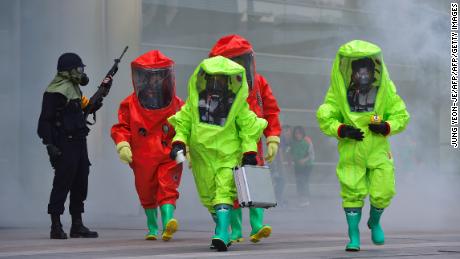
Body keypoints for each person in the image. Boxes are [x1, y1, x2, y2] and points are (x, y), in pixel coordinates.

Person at [316, 40, 410, 251]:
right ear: (352, 72)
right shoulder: (340, 93)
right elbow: (325, 115)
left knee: (384, 190)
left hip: (378, 151)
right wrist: (342, 130)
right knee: (352, 192)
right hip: (352, 150)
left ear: (375, 70)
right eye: (359, 71)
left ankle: (374, 221)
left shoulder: (385, 91)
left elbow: (401, 115)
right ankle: (354, 235)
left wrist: (386, 126)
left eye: (367, 71)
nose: (363, 76)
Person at [168, 56, 267, 251]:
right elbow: (184, 123)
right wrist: (178, 142)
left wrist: (249, 151)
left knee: (224, 191)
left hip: (227, 155)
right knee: (208, 197)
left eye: (221, 78)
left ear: (228, 80)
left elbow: (248, 126)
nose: (217, 81)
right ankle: (223, 228)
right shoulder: (196, 101)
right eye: (214, 77)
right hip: (201, 158)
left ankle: (221, 233)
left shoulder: (235, 102)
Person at [209, 34, 281, 244]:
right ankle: (236, 229)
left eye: (241, 61)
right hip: (227, 142)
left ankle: (257, 225)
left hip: (253, 140)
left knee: (254, 178)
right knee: (231, 182)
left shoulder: (258, 83)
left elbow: (271, 110)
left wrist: (273, 136)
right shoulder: (214, 89)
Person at [111, 50, 184, 241]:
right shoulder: (130, 104)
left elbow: (186, 127)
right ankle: (152, 228)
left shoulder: (176, 104)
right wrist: (123, 144)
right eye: (151, 77)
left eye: (159, 76)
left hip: (169, 154)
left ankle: (168, 221)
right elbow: (122, 127)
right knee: (146, 190)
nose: (155, 81)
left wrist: (186, 146)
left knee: (167, 187)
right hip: (142, 157)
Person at [38, 53, 109, 239]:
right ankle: (55, 225)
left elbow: (80, 112)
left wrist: (99, 96)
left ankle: (77, 224)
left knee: (80, 181)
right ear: (67, 71)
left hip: (79, 141)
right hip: (65, 142)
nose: (82, 72)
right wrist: (50, 145)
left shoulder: (74, 89)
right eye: (79, 69)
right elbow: (44, 122)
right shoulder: (55, 92)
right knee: (62, 182)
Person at [291, 126, 315, 207]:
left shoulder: (307, 141)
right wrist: (290, 161)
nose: (298, 135)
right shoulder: (293, 142)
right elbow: (290, 151)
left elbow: (311, 154)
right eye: (296, 133)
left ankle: (306, 199)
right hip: (297, 165)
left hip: (308, 165)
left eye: (299, 133)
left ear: (302, 133)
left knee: (303, 180)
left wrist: (304, 160)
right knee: (298, 181)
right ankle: (301, 199)